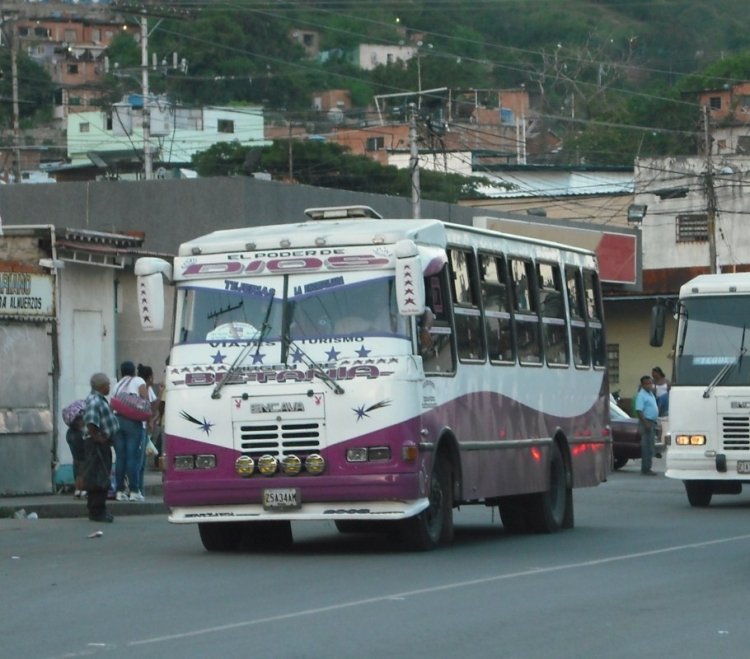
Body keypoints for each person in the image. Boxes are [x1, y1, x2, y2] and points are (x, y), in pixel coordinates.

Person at [82, 372, 120, 522]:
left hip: (100, 442)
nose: (109, 387)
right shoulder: (94, 401)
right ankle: (98, 511)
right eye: (108, 385)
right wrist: (98, 437)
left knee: (99, 475)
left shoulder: (98, 399)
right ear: (101, 386)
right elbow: (91, 421)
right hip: (96, 445)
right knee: (100, 477)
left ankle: (96, 509)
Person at [112, 361, 149, 502]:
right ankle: (134, 490)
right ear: (133, 371)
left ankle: (120, 491)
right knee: (132, 457)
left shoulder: (117, 385)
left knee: (120, 457)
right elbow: (145, 399)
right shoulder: (138, 380)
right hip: (133, 422)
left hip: (117, 421)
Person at [134, 364, 159, 499]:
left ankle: (139, 489)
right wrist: (151, 419)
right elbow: (152, 405)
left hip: (143, 427)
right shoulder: (143, 387)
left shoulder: (147, 388)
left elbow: (154, 403)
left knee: (141, 461)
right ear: (150, 377)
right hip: (140, 427)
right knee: (139, 461)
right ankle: (136, 489)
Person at [635, 374, 660, 476]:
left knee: (650, 446)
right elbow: (639, 410)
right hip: (646, 422)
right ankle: (645, 469)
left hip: (652, 422)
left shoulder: (650, 394)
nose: (649, 385)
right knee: (646, 447)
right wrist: (646, 423)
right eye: (647, 383)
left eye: (650, 383)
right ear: (642, 385)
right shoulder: (641, 395)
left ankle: (648, 467)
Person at [62, 400, 87, 498]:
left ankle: (77, 490)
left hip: (75, 457)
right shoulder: (79, 434)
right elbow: (84, 444)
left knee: (77, 473)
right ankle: (84, 489)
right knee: (84, 472)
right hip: (83, 457)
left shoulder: (69, 433)